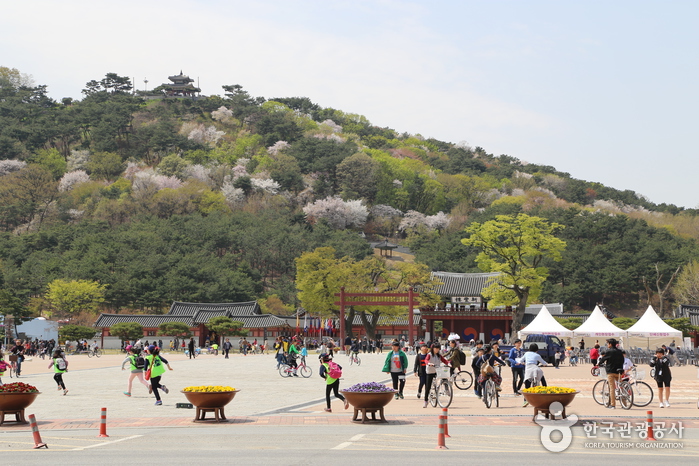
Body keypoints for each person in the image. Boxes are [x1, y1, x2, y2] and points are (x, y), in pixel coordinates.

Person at [598, 338, 624, 409]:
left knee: (612, 388)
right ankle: (624, 403)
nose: (607, 345)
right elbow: (622, 360)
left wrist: (599, 363)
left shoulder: (609, 351)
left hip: (611, 371)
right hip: (619, 371)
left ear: (610, 344)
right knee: (621, 387)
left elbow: (603, 359)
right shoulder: (620, 351)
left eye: (608, 343)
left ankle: (613, 404)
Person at [424, 343, 450, 408]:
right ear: (433, 348)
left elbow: (444, 360)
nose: (437, 350)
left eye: (438, 349)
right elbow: (426, 360)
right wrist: (429, 363)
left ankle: (445, 389)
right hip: (430, 372)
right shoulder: (429, 355)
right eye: (436, 348)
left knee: (443, 378)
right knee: (428, 387)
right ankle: (426, 400)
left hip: (437, 371)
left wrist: (448, 363)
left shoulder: (439, 355)